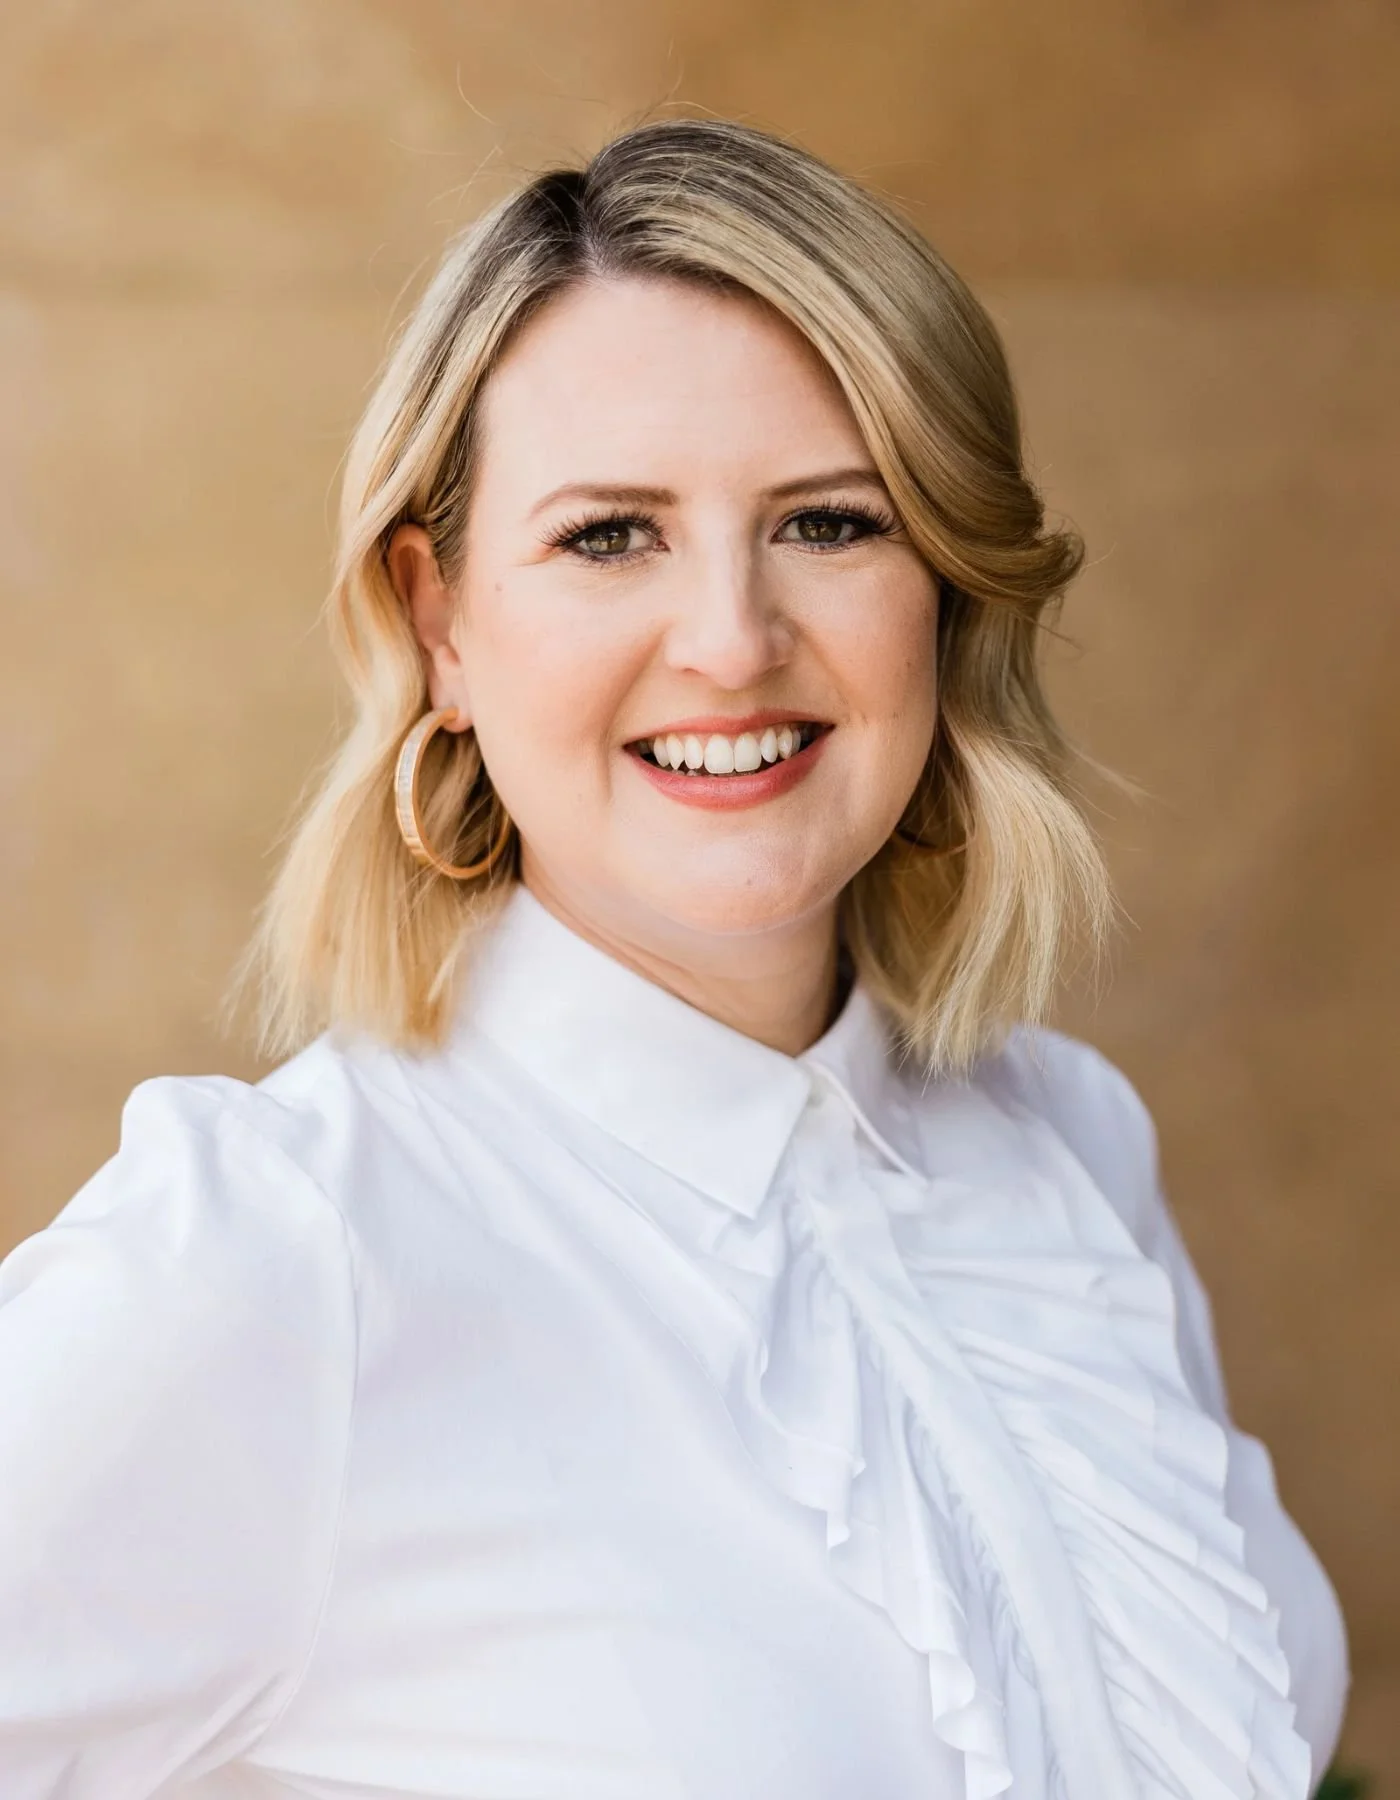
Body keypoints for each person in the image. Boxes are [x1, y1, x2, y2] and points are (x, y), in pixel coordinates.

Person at [0, 116, 1348, 1800]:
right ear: (439, 621)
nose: (729, 640)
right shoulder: (290, 1252)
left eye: (831, 524)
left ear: (944, 587)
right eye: (608, 535)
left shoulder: (1069, 1145)